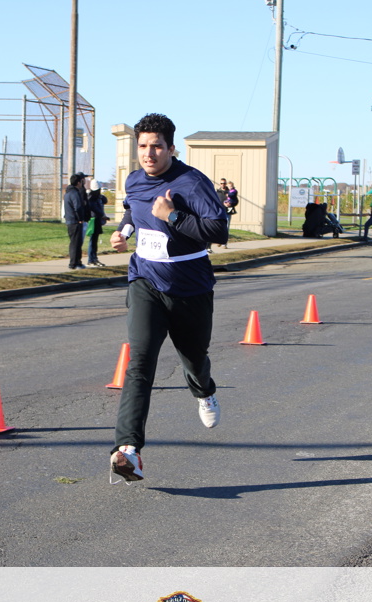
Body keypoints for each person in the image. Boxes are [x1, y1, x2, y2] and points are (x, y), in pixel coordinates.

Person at [107, 113, 228, 483]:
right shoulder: (133, 180)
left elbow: (219, 231)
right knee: (140, 362)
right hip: (145, 280)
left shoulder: (192, 182)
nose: (149, 153)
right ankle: (128, 450)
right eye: (143, 146)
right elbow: (133, 211)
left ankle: (204, 391)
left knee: (195, 359)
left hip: (191, 287)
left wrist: (173, 216)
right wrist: (123, 232)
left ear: (171, 148)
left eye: (157, 146)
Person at [63, 173, 90, 270]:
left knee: (74, 242)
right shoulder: (75, 193)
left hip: (70, 221)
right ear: (78, 182)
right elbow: (77, 207)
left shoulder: (68, 193)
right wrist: (80, 219)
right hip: (75, 221)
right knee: (76, 243)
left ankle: (75, 262)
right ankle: (74, 263)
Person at [86, 181, 108, 267]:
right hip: (93, 220)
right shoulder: (91, 198)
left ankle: (94, 258)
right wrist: (102, 215)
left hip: (97, 220)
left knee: (95, 241)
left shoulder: (98, 197)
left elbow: (105, 200)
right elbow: (94, 208)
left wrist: (101, 196)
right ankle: (91, 260)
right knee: (93, 241)